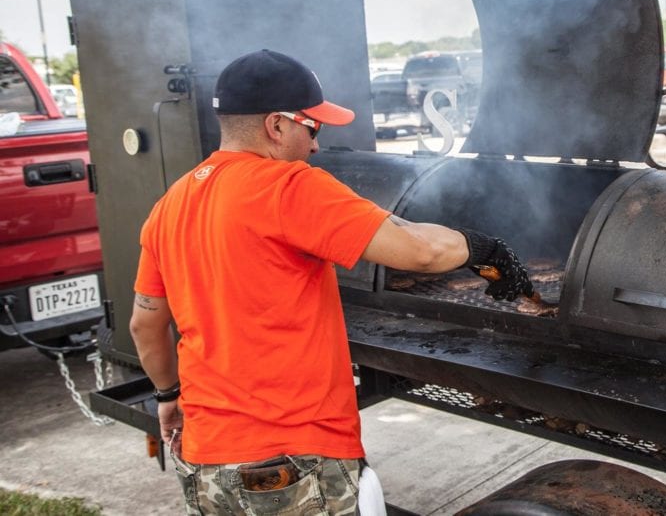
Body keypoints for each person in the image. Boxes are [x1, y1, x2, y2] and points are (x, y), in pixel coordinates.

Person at [129, 49, 533, 515]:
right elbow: (420, 250)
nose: (316, 145)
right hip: (292, 458)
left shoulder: (171, 204)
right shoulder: (287, 187)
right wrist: (485, 249)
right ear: (277, 125)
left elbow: (145, 325)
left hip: (205, 456)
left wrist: (167, 395)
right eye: (312, 127)